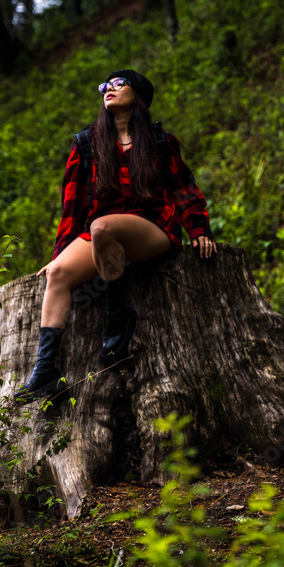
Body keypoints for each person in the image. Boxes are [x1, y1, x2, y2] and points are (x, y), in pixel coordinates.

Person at [14, 68, 217, 403]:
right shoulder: (87, 143)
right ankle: (45, 370)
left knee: (102, 227)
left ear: (138, 96)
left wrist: (199, 229)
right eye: (105, 85)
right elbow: (73, 206)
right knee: (59, 274)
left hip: (152, 226)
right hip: (102, 234)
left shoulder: (160, 143)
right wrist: (60, 254)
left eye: (119, 84)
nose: (109, 88)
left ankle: (116, 315)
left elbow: (184, 189)